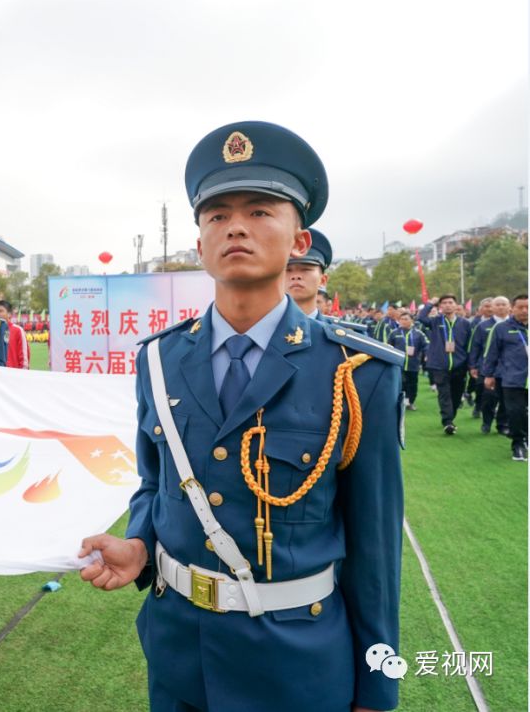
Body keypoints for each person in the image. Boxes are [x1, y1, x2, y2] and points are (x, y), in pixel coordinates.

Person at [78, 121, 403, 712]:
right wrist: (139, 543)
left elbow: (376, 550)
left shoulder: (357, 373)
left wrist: (378, 690)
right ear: (200, 244)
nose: (234, 226)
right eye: (217, 215)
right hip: (178, 649)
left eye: (259, 211)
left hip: (296, 659)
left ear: (299, 240)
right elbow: (156, 484)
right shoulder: (158, 359)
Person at [418, 294, 473, 434]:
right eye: (444, 303)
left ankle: (450, 417)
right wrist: (431, 303)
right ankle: (447, 421)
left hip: (459, 365)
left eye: (450, 302)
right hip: (439, 365)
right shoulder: (436, 321)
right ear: (440, 306)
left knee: (456, 394)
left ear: (456, 305)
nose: (448, 305)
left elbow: (469, 345)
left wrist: (470, 365)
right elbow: (421, 318)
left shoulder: (465, 323)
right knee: (444, 393)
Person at [483, 294, 528, 461]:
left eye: (527, 307)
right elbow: (491, 353)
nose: (524, 311)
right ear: (512, 309)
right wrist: (488, 374)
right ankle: (518, 443)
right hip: (512, 378)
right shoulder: (501, 328)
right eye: (520, 307)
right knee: (515, 412)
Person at [470, 296, 510, 435]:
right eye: (497, 305)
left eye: (503, 304)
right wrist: (473, 365)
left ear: (509, 307)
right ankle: (486, 421)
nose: (500, 307)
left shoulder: (514, 325)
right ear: (492, 308)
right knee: (488, 397)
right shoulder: (483, 326)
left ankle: (502, 424)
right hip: (487, 367)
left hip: (508, 369)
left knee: (505, 398)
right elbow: (475, 347)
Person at [284, 228, 330, 319]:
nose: (295, 276)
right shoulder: (258, 330)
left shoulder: (332, 333)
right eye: (288, 270)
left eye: (305, 269)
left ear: (323, 280)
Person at [390, 311, 428, 410]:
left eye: (406, 319)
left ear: (412, 320)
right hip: (399, 363)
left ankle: (411, 402)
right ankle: (400, 402)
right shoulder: (394, 333)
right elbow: (389, 346)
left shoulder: (418, 333)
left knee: (412, 384)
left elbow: (426, 345)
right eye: (401, 319)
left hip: (413, 363)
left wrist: (427, 355)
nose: (403, 321)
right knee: (401, 383)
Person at [0, 299, 30, 369]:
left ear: (9, 314)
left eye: (1, 311)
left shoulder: (18, 330)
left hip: (13, 374)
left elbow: (24, 358)